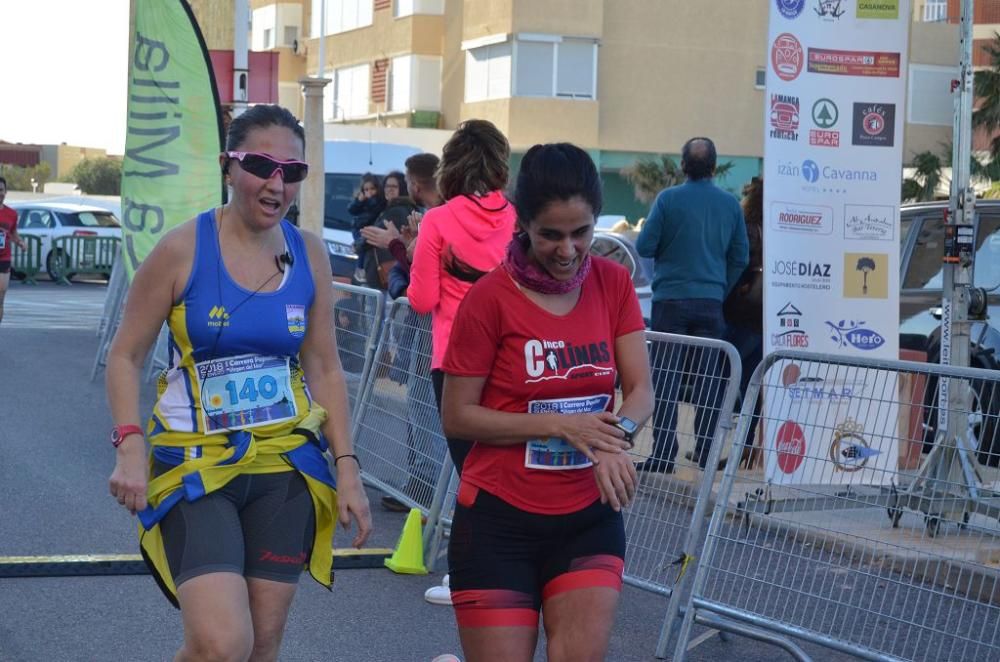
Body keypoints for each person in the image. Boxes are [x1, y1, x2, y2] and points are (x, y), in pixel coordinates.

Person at [106, 104, 372, 661]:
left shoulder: (310, 254)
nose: (276, 183)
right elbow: (127, 356)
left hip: (284, 468)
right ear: (229, 166)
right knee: (223, 644)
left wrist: (347, 468)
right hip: (196, 465)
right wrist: (130, 446)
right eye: (261, 164)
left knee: (261, 646)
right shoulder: (183, 248)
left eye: (292, 171)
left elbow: (324, 365)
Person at [440, 142, 654, 660]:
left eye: (581, 233)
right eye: (550, 235)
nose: (567, 249)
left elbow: (641, 390)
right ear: (523, 224)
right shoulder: (489, 299)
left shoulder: (613, 283)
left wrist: (612, 439)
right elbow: (457, 415)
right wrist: (561, 426)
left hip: (587, 516)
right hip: (499, 521)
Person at [408, 120, 517, 475]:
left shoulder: (437, 220)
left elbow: (422, 300)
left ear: (450, 165)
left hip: (454, 361)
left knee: (471, 473)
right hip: (511, 355)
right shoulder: (518, 219)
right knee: (508, 472)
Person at [635, 136, 748, 473]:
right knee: (708, 378)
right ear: (713, 167)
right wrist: (719, 288)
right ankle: (706, 451)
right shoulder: (729, 205)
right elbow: (740, 256)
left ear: (683, 166)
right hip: (711, 301)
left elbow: (645, 244)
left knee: (665, 376)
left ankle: (663, 452)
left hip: (670, 299)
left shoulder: (668, 200)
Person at [724, 176, 764, 457]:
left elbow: (741, 261)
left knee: (723, 377)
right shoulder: (778, 227)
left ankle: (712, 444)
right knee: (753, 382)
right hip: (764, 314)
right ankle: (746, 446)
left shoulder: (747, 228)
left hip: (741, 311)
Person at [347, 172, 386, 283]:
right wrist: (359, 201)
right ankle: (360, 270)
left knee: (365, 248)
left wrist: (369, 199)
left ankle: (362, 269)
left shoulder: (378, 200)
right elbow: (351, 210)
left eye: (372, 189)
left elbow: (376, 209)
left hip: (369, 228)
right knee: (362, 248)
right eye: (366, 189)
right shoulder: (361, 199)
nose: (369, 192)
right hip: (358, 228)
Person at [0, 176, 26, 327]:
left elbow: (13, 232)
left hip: (4, 258)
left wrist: (20, 242)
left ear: (6, 192)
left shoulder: (12, 214)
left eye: (1, 190)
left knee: (1, 296)